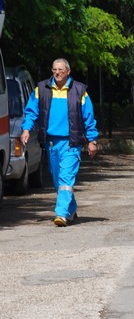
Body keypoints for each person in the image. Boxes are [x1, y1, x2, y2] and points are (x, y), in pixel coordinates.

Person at [21, 58, 98, 227]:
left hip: (72, 143)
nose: (57, 73)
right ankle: (71, 209)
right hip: (51, 143)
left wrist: (92, 140)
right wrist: (26, 129)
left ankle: (61, 214)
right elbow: (31, 112)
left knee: (65, 177)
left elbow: (88, 117)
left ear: (68, 71)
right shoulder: (42, 89)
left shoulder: (79, 91)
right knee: (58, 181)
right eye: (54, 69)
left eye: (60, 70)